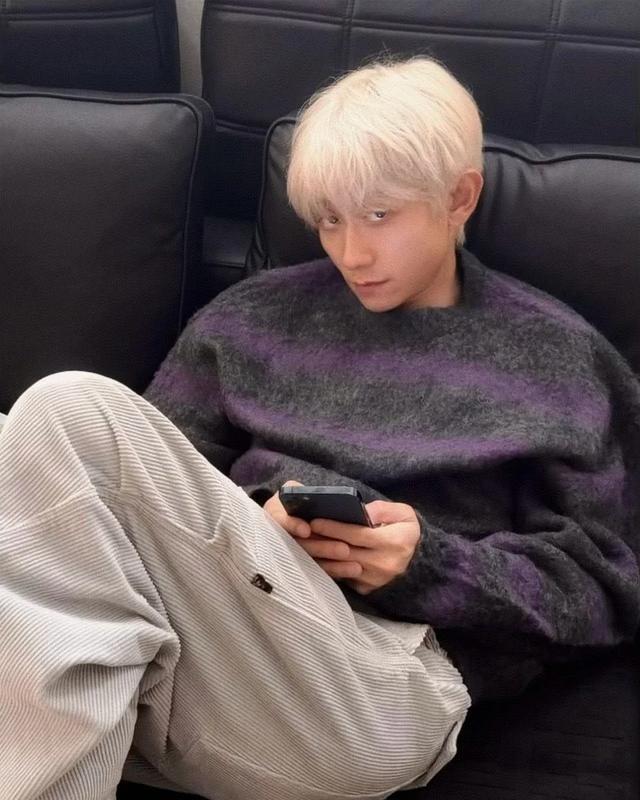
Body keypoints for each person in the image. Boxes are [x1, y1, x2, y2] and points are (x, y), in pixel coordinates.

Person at [1, 56, 639, 800]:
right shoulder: (247, 321)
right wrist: (252, 530)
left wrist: (425, 565)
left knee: (68, 409)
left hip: (380, 689)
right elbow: (128, 520)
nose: (351, 253)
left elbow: (607, 590)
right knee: (27, 460)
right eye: (330, 220)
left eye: (379, 216)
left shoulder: (557, 358)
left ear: (459, 197)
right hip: (210, 663)